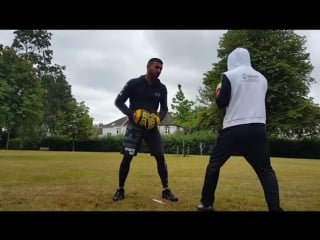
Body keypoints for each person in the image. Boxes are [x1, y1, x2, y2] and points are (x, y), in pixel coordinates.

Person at [197, 47, 283, 211]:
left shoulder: (229, 76)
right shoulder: (262, 79)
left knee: (214, 165)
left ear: (232, 60)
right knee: (266, 170)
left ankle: (206, 203)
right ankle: (275, 208)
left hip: (234, 127)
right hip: (258, 127)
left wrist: (219, 92)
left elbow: (221, 103)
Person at [112, 57, 178, 202]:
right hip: (135, 126)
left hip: (152, 127)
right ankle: (120, 189)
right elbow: (118, 101)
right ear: (148, 67)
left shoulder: (162, 88)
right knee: (127, 157)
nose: (159, 71)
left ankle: (166, 190)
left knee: (160, 158)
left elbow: (165, 108)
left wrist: (159, 118)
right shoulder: (133, 83)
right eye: (156, 67)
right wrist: (132, 114)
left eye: (161, 68)